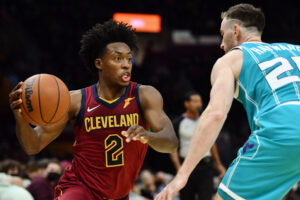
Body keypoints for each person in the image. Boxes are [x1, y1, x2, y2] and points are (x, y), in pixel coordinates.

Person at [9, 19, 178, 200]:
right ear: (99, 63)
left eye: (129, 58)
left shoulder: (145, 95)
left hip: (119, 195)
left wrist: (148, 136)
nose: (126, 64)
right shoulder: (75, 100)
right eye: (117, 58)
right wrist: (20, 119)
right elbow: (33, 145)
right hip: (80, 188)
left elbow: (171, 143)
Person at [155, 3, 300, 200]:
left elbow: (216, 114)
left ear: (236, 30)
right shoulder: (296, 50)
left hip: (282, 129)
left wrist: (182, 175)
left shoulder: (230, 60)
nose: (221, 44)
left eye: (223, 34)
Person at [170, 91, 226, 200]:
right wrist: (178, 168)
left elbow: (212, 143)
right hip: (186, 167)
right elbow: (173, 148)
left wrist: (218, 164)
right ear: (187, 104)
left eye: (200, 101)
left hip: (205, 167)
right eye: (195, 101)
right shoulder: (178, 123)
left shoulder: (205, 121)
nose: (198, 104)